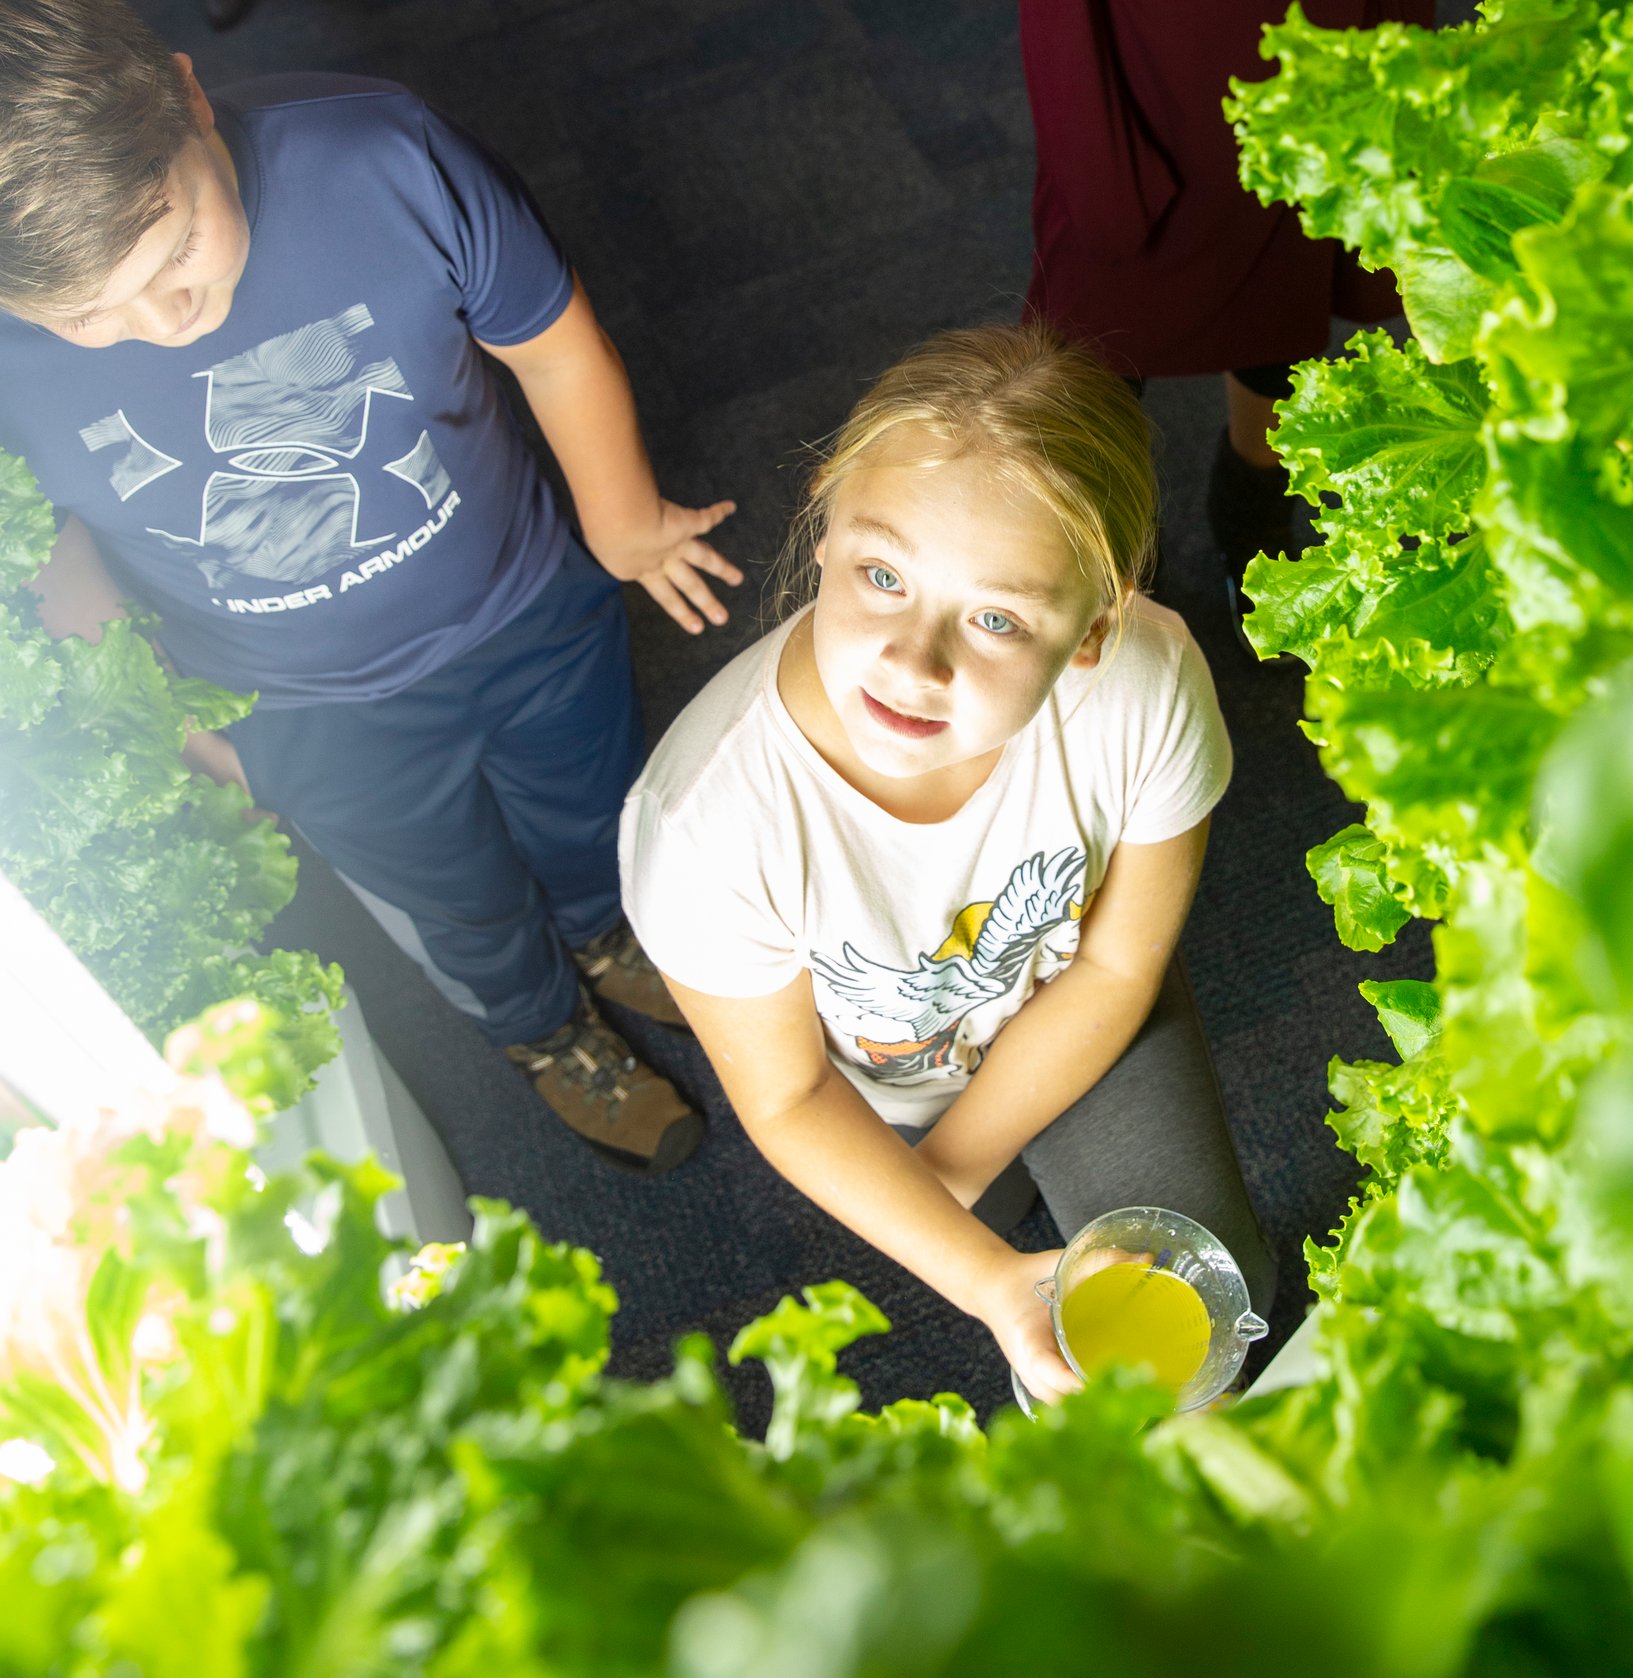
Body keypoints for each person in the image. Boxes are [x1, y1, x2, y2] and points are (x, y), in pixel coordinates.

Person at [0, 0, 741, 1172]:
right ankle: (541, 1027)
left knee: (592, 796)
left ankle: (606, 933)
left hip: (524, 598)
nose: (166, 320)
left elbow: (548, 344)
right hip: (294, 705)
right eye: (90, 316)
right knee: (454, 897)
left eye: (177, 246)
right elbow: (47, 559)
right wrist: (184, 735)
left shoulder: (381, 152)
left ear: (192, 99)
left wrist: (627, 524)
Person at [619, 324, 1276, 1402]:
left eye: (997, 618)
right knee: (1005, 1241)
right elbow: (788, 1098)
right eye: (884, 573)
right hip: (874, 1087)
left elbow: (1115, 972)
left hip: (1087, 1008)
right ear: (826, 521)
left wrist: (946, 1184)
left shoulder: (1150, 681)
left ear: (1098, 624)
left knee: (1197, 1312)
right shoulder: (703, 825)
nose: (912, 662)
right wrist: (981, 1264)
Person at [1018, 0, 1431, 623]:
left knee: (1275, 318)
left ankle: (1250, 521)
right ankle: (1097, 547)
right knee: (1094, 350)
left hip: (1304, 81)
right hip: (1139, 84)